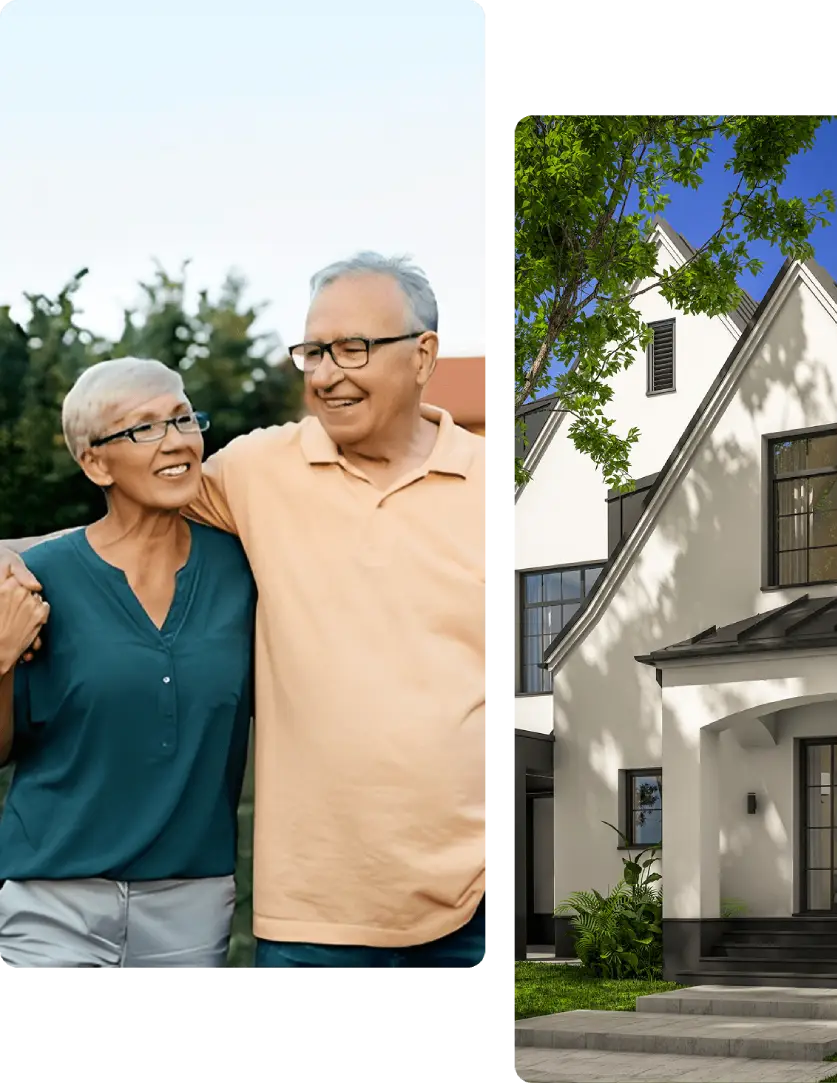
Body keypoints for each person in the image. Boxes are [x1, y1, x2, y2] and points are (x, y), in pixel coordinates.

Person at [2, 253, 487, 968]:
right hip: (308, 912)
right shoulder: (258, 471)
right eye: (314, 351)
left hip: (467, 902)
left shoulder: (486, 490)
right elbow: (125, 527)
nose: (326, 373)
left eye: (353, 348)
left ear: (423, 356)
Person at [0, 357, 255, 967]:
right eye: (143, 428)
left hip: (192, 901)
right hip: (50, 899)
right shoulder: (39, 580)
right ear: (95, 462)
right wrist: (1, 659)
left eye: (182, 418)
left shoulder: (245, 570)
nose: (176, 442)